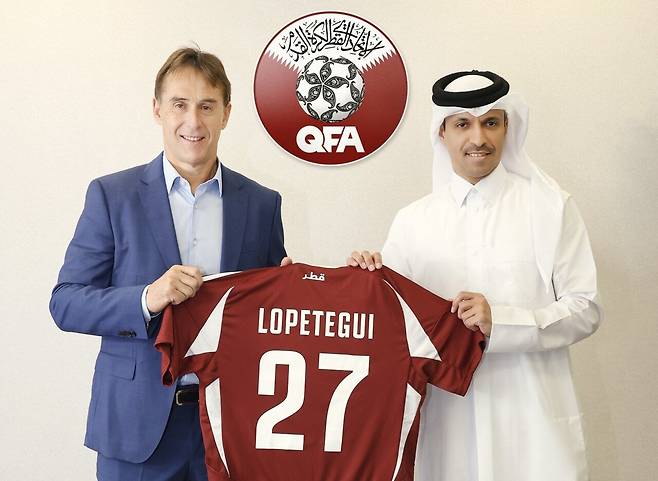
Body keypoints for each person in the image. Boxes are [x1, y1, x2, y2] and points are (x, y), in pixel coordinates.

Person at [50, 47, 291, 481]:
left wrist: (316, 284)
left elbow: (271, 315)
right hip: (135, 430)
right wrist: (147, 298)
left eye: (207, 106)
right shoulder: (112, 196)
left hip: (230, 430)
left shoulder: (262, 204)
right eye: (180, 104)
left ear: (227, 114)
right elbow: (66, 303)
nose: (193, 121)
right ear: (157, 109)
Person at [349, 70, 602, 481]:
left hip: (532, 424)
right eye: (463, 124)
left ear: (507, 128)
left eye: (491, 122)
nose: (479, 138)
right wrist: (363, 280)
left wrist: (501, 321)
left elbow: (586, 308)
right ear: (442, 132)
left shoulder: (550, 208)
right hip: (447, 424)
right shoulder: (413, 221)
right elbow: (392, 327)